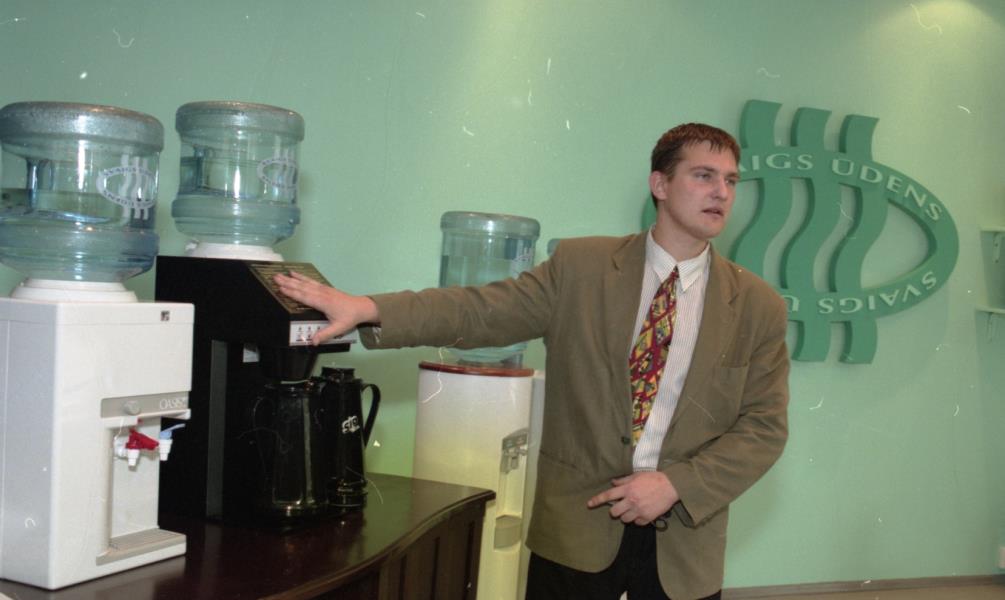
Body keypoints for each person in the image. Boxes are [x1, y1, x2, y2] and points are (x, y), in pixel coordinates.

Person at [273, 123, 790, 600]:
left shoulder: (757, 305)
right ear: (660, 184)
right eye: (704, 176)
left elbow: (764, 428)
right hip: (577, 528)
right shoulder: (582, 267)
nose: (721, 192)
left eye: (730, 180)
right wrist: (369, 308)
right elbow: (478, 310)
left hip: (685, 541)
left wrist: (677, 484)